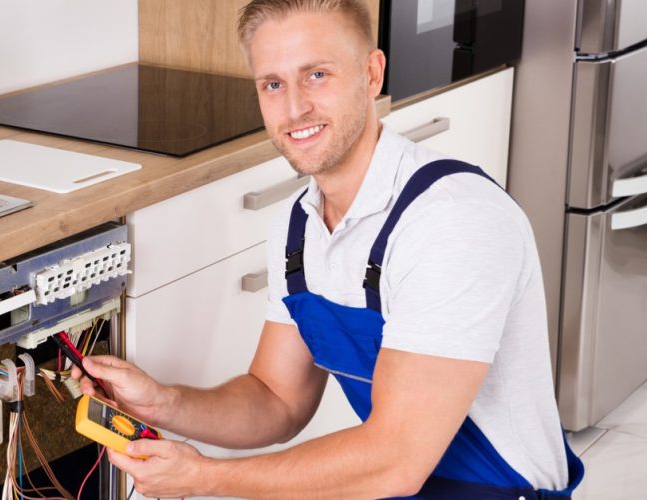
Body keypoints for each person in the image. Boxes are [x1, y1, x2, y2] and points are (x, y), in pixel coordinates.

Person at [73, 0, 584, 498]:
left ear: (371, 74)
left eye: (317, 74)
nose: (295, 108)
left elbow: (396, 460)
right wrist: (163, 404)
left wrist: (206, 477)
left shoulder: (451, 220)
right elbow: (277, 401)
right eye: (273, 84)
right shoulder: (299, 226)